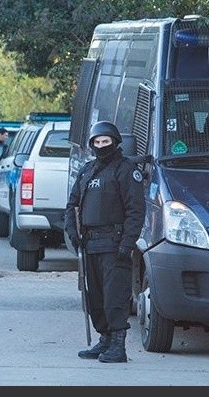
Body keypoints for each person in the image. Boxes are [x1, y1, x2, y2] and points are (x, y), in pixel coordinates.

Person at [63, 120, 144, 363]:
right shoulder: (87, 170)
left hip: (114, 245)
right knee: (95, 297)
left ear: (115, 142)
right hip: (90, 244)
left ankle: (118, 346)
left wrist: (127, 244)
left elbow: (135, 210)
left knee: (114, 297)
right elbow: (72, 204)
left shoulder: (126, 170)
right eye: (96, 142)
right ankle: (104, 340)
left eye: (105, 141)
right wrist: (72, 233)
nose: (101, 146)